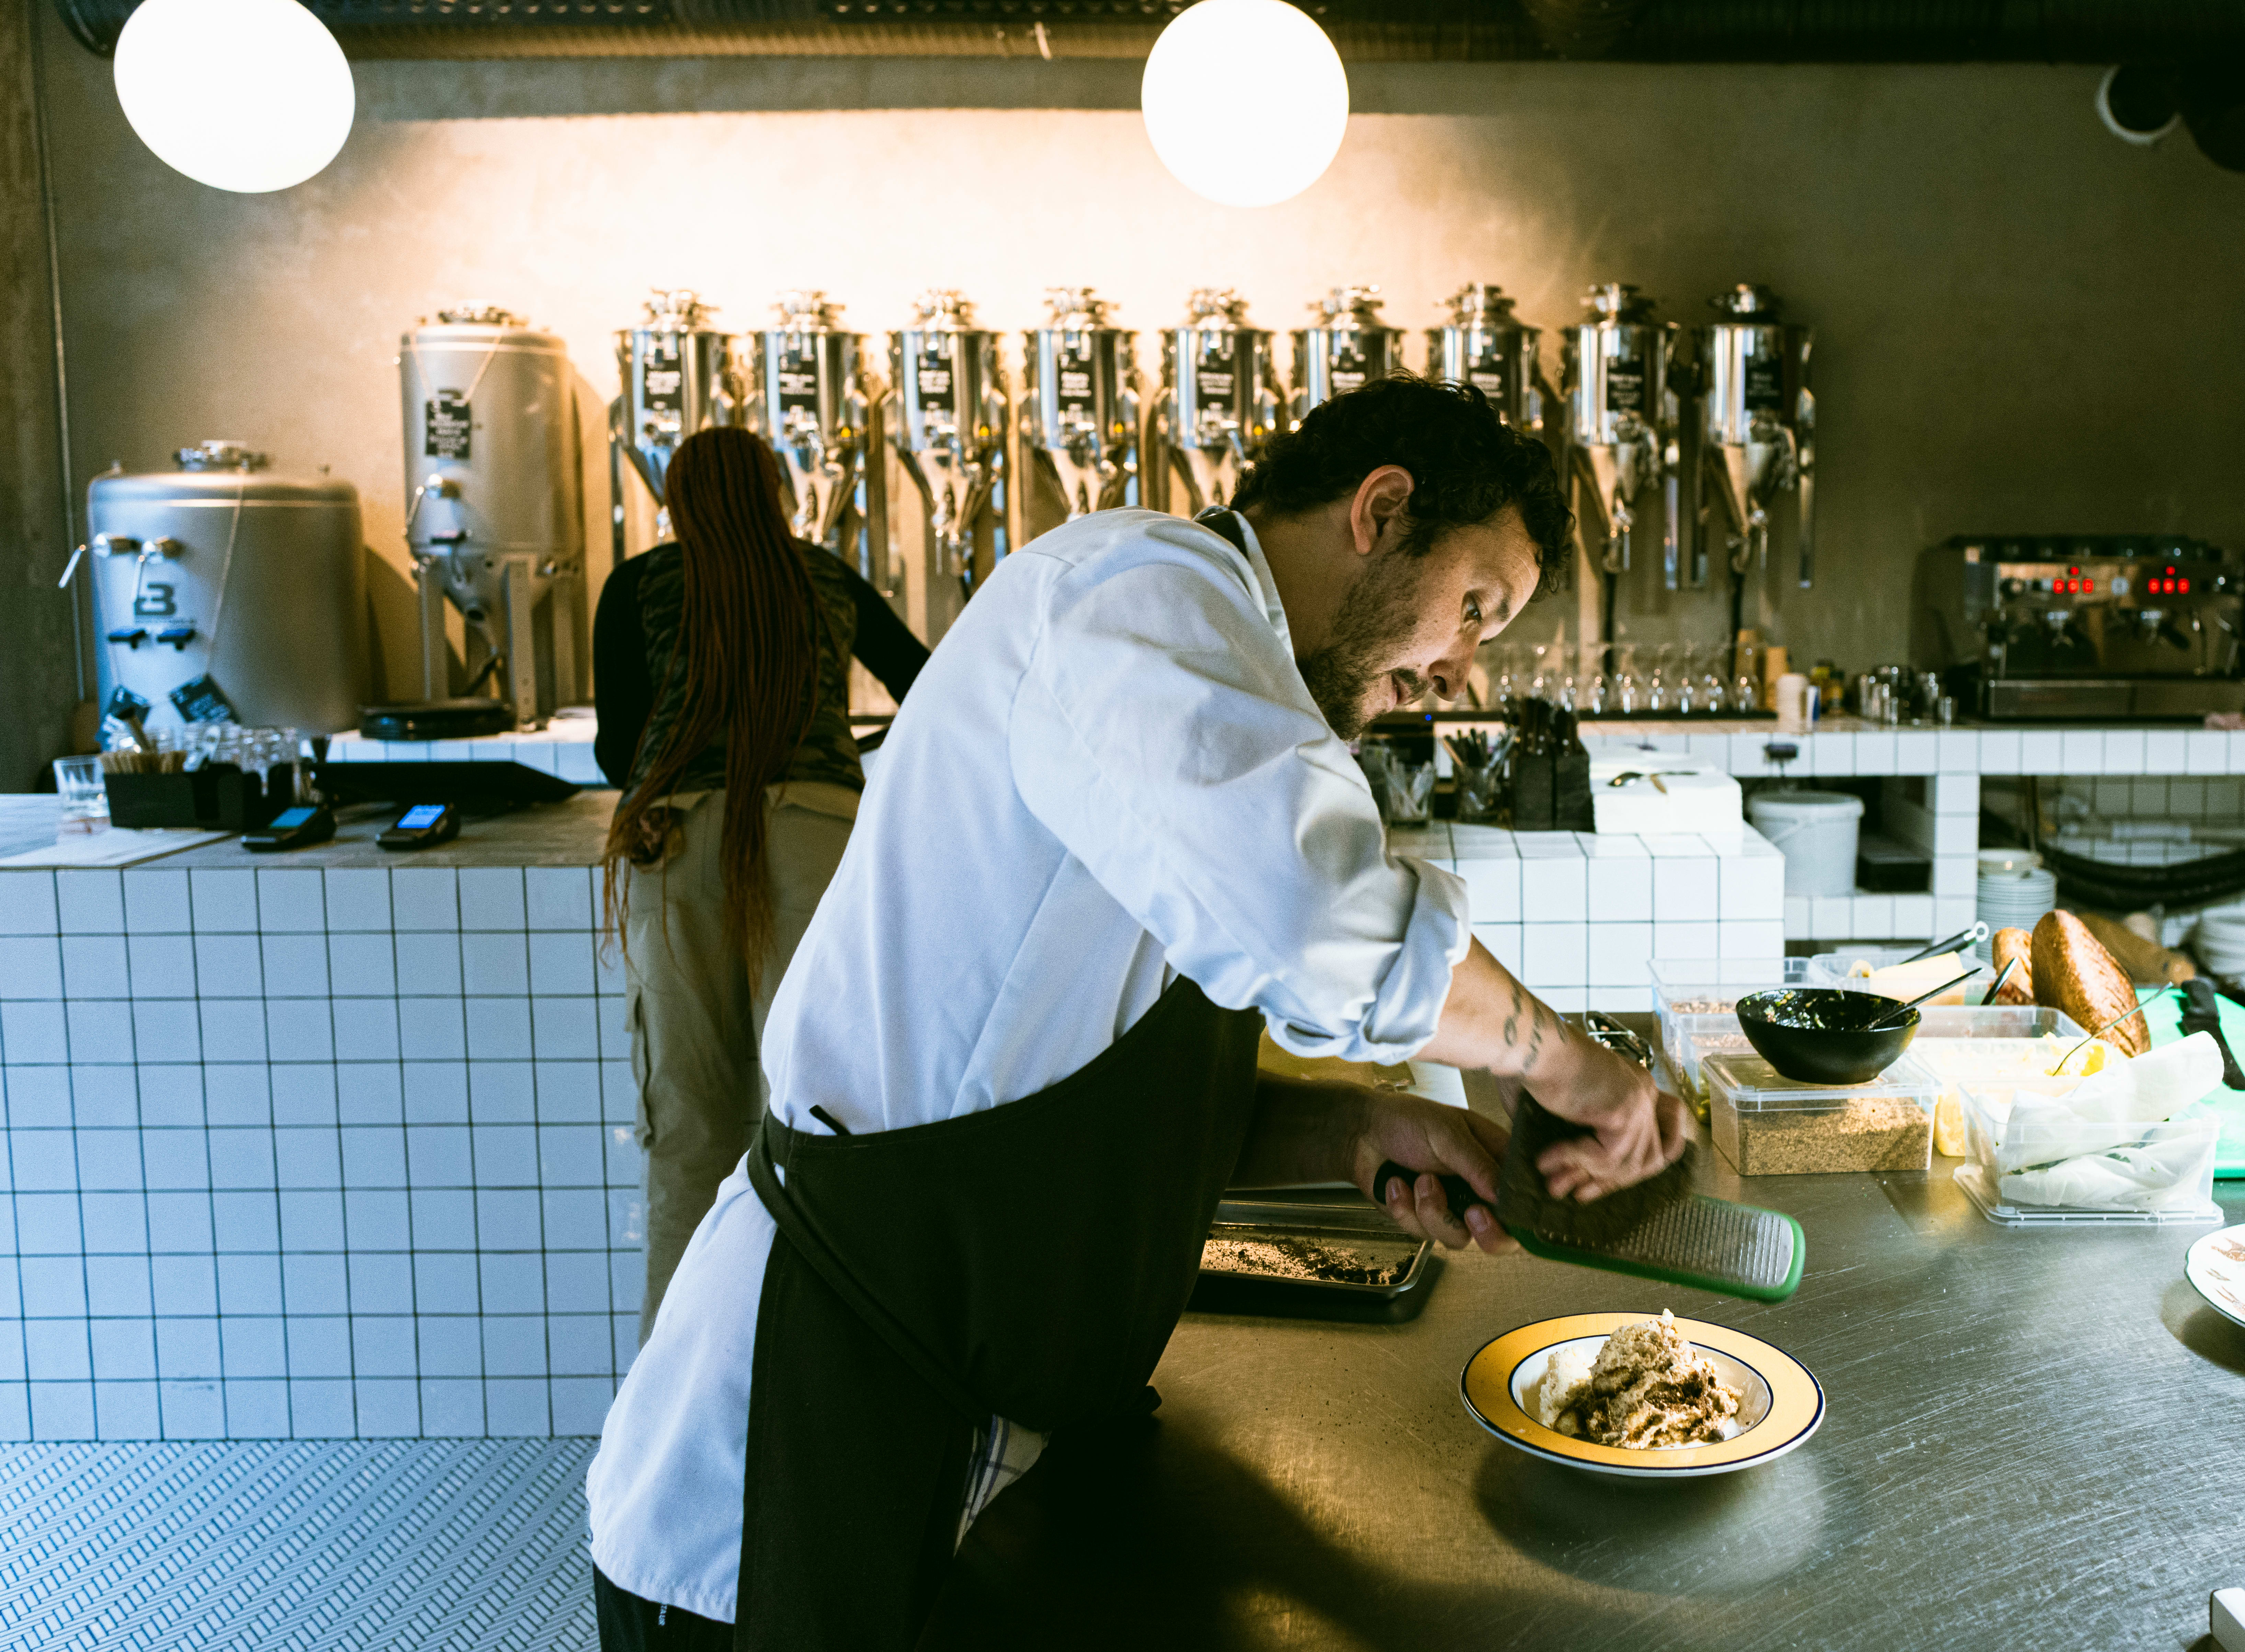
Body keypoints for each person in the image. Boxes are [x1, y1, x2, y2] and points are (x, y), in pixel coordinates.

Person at [585, 377, 1683, 1648]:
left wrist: (1352, 1134)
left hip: (967, 1428)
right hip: (791, 1451)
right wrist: (1564, 1059)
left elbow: (1079, 1093)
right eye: (1475, 607)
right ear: (1381, 511)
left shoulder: (1223, 700)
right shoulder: (1135, 595)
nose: (1460, 668)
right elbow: (1318, 921)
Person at [592, 425, 930, 1338]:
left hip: (678, 839)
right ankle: (833, 1357)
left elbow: (612, 746)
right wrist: (842, 759)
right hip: (820, 836)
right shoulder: (823, 575)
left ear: (674, 500)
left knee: (691, 1125)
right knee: (823, 1111)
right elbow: (930, 687)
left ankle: (683, 1373)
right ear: (777, 492)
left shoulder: (639, 584)